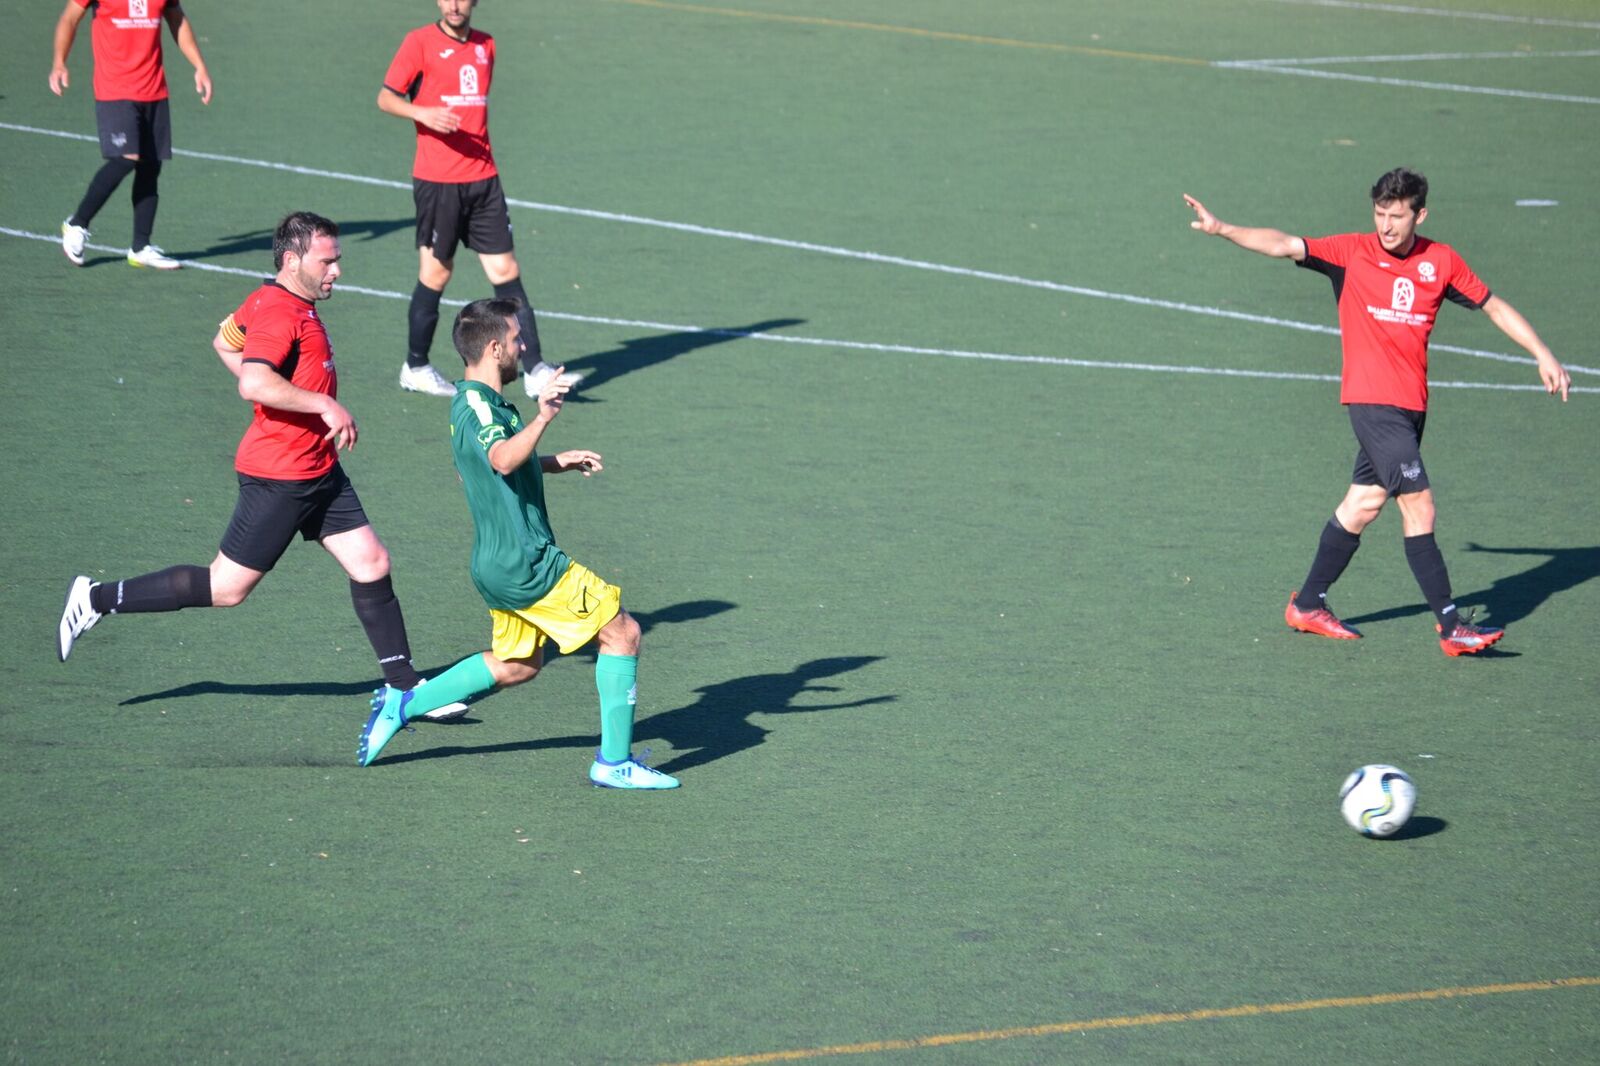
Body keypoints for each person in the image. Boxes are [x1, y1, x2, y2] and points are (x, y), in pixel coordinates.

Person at [57, 212, 462, 720]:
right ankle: (95, 599)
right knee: (226, 588)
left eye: (337, 260)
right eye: (327, 261)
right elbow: (253, 381)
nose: (337, 270)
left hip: (319, 470)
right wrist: (321, 404)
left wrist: (286, 398)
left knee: (372, 563)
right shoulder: (279, 312)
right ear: (292, 261)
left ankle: (404, 687)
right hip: (280, 477)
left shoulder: (274, 299)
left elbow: (226, 342)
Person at [1184, 168, 1571, 657]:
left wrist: (1542, 353)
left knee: (1363, 504)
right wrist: (1223, 229)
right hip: (1373, 403)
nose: (1386, 225)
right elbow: (1283, 244)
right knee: (1419, 504)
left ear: (1420, 215)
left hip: (1411, 408)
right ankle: (1451, 626)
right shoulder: (1351, 253)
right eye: (1379, 214)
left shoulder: (1441, 261)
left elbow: (1492, 305)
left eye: (1396, 216)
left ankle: (1307, 604)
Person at [356, 298, 678, 790]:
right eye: (515, 338)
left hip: (497, 564)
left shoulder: (474, 403)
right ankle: (614, 763)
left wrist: (554, 462)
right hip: (527, 563)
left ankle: (405, 702)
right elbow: (503, 460)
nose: (523, 346)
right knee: (623, 633)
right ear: (493, 348)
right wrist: (544, 417)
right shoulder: (480, 406)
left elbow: (488, 466)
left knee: (517, 665)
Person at [378, 0, 579, 400]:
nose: (454, 5)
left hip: (484, 179)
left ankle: (534, 369)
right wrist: (423, 113)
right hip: (439, 182)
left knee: (506, 270)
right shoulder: (419, 42)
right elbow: (386, 98)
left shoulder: (486, 45)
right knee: (436, 273)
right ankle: (416, 366)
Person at [50, 0, 212, 271]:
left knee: (150, 165)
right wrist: (59, 62)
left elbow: (177, 19)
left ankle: (140, 247)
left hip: (154, 89)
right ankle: (77, 223)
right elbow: (69, 18)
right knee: (126, 158)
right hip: (115, 89)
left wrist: (199, 65)